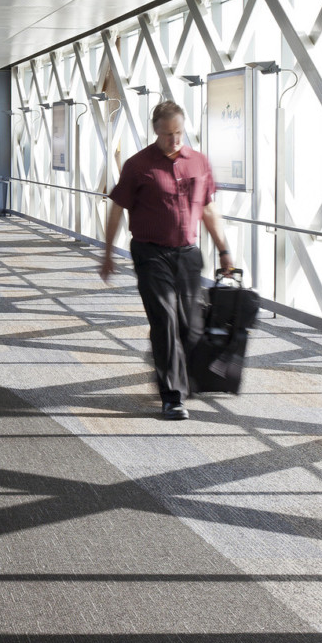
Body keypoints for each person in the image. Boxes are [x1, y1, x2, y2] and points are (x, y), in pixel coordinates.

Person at [99, 100, 233, 421]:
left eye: (179, 133)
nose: (174, 140)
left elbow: (208, 209)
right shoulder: (138, 165)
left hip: (187, 254)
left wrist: (225, 251)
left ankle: (168, 363)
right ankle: (172, 396)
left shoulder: (198, 163)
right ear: (155, 130)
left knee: (189, 325)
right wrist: (107, 253)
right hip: (150, 252)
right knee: (165, 321)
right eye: (167, 134)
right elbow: (117, 208)